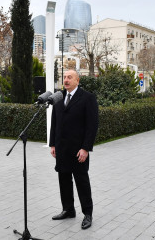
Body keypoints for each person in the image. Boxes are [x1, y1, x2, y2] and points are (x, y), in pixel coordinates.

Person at [49, 69, 98, 230]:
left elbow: (92, 126)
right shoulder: (59, 97)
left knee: (81, 182)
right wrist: (53, 144)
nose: (66, 80)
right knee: (64, 181)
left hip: (79, 151)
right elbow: (54, 123)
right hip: (62, 149)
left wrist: (85, 148)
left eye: (70, 77)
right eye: (64, 77)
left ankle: (88, 214)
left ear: (78, 80)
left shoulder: (88, 98)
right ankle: (68, 209)